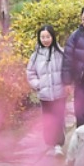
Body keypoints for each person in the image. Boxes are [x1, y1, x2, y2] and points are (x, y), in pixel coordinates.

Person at [26, 25, 66, 157]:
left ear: (53, 37)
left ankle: (58, 145)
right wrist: (38, 84)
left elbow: (67, 70)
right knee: (48, 119)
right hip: (45, 95)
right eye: (42, 37)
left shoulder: (60, 52)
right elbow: (30, 73)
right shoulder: (35, 56)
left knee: (59, 119)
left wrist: (66, 83)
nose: (45, 39)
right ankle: (50, 143)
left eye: (48, 37)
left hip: (60, 93)